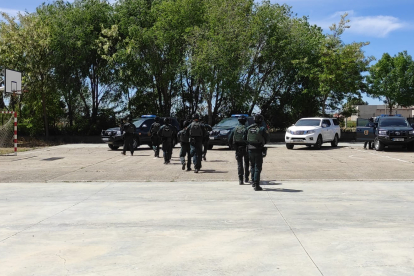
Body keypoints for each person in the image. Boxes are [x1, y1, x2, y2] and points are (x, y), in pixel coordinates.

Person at [246, 114, 269, 191]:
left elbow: (244, 137)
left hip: (250, 149)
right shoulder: (262, 129)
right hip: (258, 149)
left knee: (252, 166)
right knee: (257, 167)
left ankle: (253, 181)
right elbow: (267, 139)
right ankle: (256, 185)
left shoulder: (249, 128)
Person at [229, 115, 249, 185]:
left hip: (238, 148)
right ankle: (246, 178)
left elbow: (230, 139)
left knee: (239, 164)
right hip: (246, 147)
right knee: (246, 163)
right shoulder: (246, 129)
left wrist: (232, 146)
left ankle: (240, 180)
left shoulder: (235, 129)